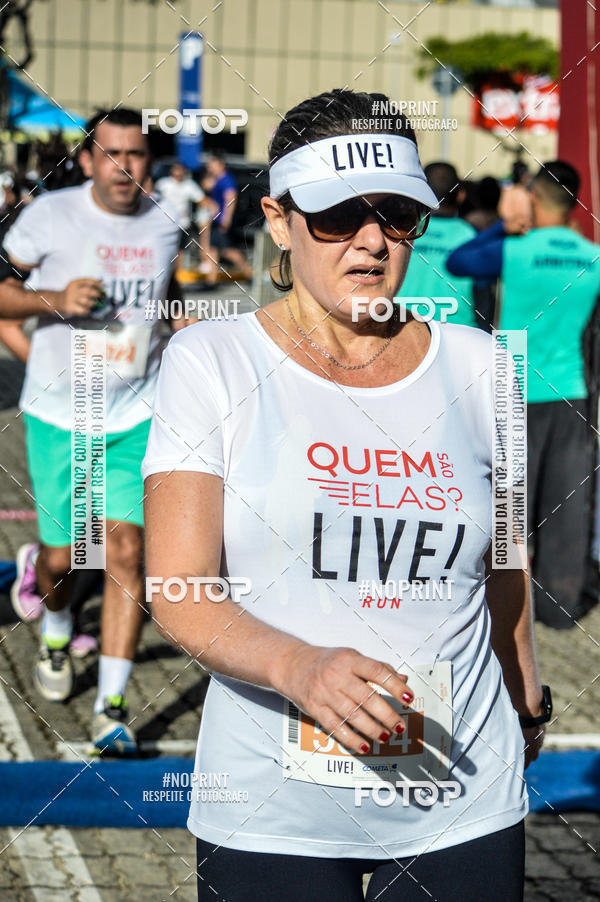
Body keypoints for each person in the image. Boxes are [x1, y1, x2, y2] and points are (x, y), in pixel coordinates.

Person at [143, 89, 550, 902]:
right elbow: (179, 588)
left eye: (397, 214)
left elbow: (506, 558)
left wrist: (527, 697)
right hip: (273, 803)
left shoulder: (481, 365)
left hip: (462, 790)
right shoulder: (211, 360)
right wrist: (300, 668)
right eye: (337, 214)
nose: (371, 240)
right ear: (281, 220)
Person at [0, 107, 180, 753]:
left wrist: (178, 330)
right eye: (111, 154)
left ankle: (111, 707)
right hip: (60, 412)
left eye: (135, 154)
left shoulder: (167, 223)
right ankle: (55, 627)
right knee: (64, 558)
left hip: (136, 414)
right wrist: (49, 301)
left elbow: (169, 297)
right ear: (87, 161)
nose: (123, 166)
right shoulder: (50, 215)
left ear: (148, 163)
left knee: (125, 551)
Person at [447, 160, 600, 629]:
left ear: (532, 196)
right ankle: (559, 608)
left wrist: (502, 228)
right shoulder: (592, 254)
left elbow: (458, 261)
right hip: (572, 390)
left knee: (508, 503)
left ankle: (500, 604)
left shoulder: (512, 250)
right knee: (568, 502)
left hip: (511, 383)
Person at [396, 162, 478, 328]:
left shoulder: (399, 232)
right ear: (461, 195)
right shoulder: (471, 236)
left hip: (401, 329)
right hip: (460, 333)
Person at [203, 151, 252, 284]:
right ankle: (211, 280)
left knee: (227, 251)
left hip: (223, 220)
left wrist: (227, 218)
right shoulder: (217, 179)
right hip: (215, 220)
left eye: (212, 164)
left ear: (221, 164)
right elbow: (206, 185)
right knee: (212, 250)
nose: (210, 167)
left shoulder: (227, 180)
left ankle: (249, 273)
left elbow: (231, 198)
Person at [155, 162, 210, 266]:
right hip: (165, 223)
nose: (178, 173)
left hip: (182, 224)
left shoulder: (189, 185)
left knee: (180, 250)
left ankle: (177, 273)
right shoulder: (163, 184)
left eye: (181, 170)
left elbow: (202, 200)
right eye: (176, 170)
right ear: (172, 171)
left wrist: (212, 210)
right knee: (164, 248)